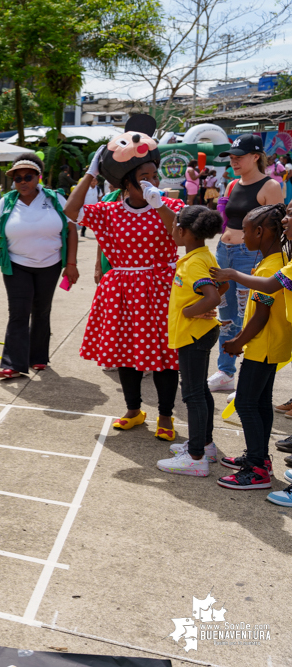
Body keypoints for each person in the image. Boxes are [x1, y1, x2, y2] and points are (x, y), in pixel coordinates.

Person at [63, 115, 186, 441]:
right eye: (144, 176)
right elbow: (71, 211)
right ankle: (134, 409)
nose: (151, 181)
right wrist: (91, 174)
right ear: (126, 182)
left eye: (154, 175)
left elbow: (183, 238)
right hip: (121, 290)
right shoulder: (109, 210)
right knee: (126, 353)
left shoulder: (170, 204)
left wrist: (158, 205)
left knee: (164, 356)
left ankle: (165, 415)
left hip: (160, 290)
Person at [211, 204, 291, 492]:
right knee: (259, 402)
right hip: (272, 344)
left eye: (245, 231)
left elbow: (262, 313)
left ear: (259, 231)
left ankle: (257, 468)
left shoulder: (271, 267)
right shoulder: (278, 258)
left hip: (262, 345)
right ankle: (261, 458)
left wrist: (237, 342)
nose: (242, 236)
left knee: (246, 403)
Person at [0, 153, 79, 379]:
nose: (23, 182)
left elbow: (71, 230)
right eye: (18, 179)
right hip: (16, 265)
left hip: (51, 264)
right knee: (18, 312)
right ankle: (13, 363)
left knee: (42, 310)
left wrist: (71, 264)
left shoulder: (55, 199)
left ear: (38, 177)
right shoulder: (5, 202)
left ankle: (38, 357)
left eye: (28, 177)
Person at [210, 134, 284, 393]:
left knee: (249, 315)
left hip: (249, 255)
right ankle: (225, 371)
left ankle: (247, 383)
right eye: (231, 158)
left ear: (256, 156)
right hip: (225, 250)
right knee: (226, 315)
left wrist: (265, 263)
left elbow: (276, 230)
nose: (234, 162)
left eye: (239, 157)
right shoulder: (232, 185)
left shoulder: (271, 186)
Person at [156, 206, 224, 477]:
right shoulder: (203, 255)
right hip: (201, 331)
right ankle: (204, 444)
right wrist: (203, 306)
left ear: (183, 232)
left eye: (173, 225)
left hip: (193, 333)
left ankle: (195, 457)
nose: (171, 229)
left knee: (193, 394)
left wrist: (189, 311)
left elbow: (213, 296)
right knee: (200, 390)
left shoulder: (193, 263)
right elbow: (223, 284)